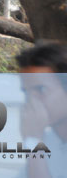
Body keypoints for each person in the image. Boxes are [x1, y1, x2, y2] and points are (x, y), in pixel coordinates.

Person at [17, 41, 67, 178]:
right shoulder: (51, 141)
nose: (32, 100)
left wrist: (33, 142)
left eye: (41, 89)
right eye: (26, 92)